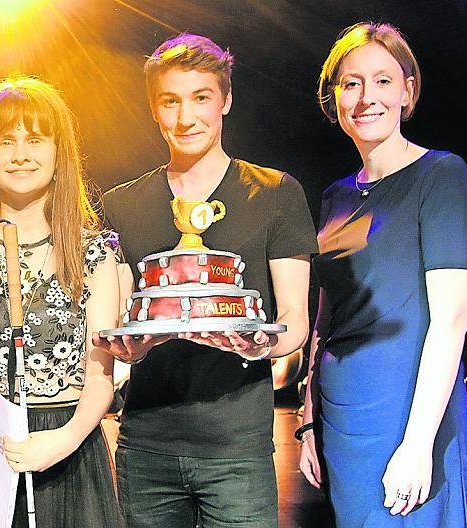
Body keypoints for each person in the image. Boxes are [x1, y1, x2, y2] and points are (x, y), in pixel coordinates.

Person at [95, 34, 318, 527]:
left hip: (237, 451)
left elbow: (295, 321)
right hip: (146, 446)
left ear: (226, 100)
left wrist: (261, 345)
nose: (185, 118)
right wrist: (128, 350)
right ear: (154, 108)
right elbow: (118, 319)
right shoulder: (122, 205)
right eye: (170, 101)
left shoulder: (276, 194)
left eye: (201, 98)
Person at [299, 22, 467, 527]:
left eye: (383, 80)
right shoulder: (336, 196)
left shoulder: (441, 176)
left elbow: (451, 321)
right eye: (351, 83)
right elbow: (325, 318)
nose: (365, 97)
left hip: (408, 412)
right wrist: (308, 420)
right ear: (334, 98)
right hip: (341, 416)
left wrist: (418, 444)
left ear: (407, 90)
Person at [0, 75, 124, 528]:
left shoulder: (92, 253)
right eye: (5, 141)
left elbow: (101, 374)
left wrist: (64, 440)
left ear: (58, 152)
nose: (20, 154)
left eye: (35, 140)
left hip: (72, 455)